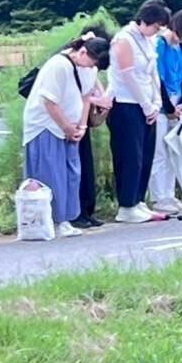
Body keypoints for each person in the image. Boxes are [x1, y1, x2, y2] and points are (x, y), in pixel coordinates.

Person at [22, 37, 109, 238]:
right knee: (51, 174)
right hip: (46, 126)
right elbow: (49, 102)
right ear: (83, 52)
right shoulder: (58, 65)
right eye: (92, 62)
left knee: (71, 174)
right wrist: (67, 127)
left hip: (70, 126)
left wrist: (82, 125)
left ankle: (67, 219)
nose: (92, 67)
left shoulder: (89, 69)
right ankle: (51, 221)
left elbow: (85, 97)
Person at [109, 0, 169, 223]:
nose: (157, 31)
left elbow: (153, 73)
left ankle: (138, 200)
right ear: (144, 20)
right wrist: (145, 104)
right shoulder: (124, 39)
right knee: (130, 155)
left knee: (145, 154)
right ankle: (126, 204)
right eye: (156, 26)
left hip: (148, 105)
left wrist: (156, 102)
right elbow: (128, 75)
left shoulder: (149, 40)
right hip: (126, 103)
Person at [151, 8, 182, 214]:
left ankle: (169, 194)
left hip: (176, 101)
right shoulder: (160, 44)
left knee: (174, 150)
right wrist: (168, 107)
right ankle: (158, 197)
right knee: (159, 152)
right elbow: (159, 77)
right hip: (161, 103)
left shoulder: (181, 47)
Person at [73, 21, 113, 230]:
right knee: (76, 168)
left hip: (83, 120)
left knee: (86, 166)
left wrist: (103, 98)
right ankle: (76, 212)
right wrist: (98, 100)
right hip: (73, 121)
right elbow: (79, 93)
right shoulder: (74, 63)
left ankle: (87, 211)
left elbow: (94, 85)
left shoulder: (91, 66)